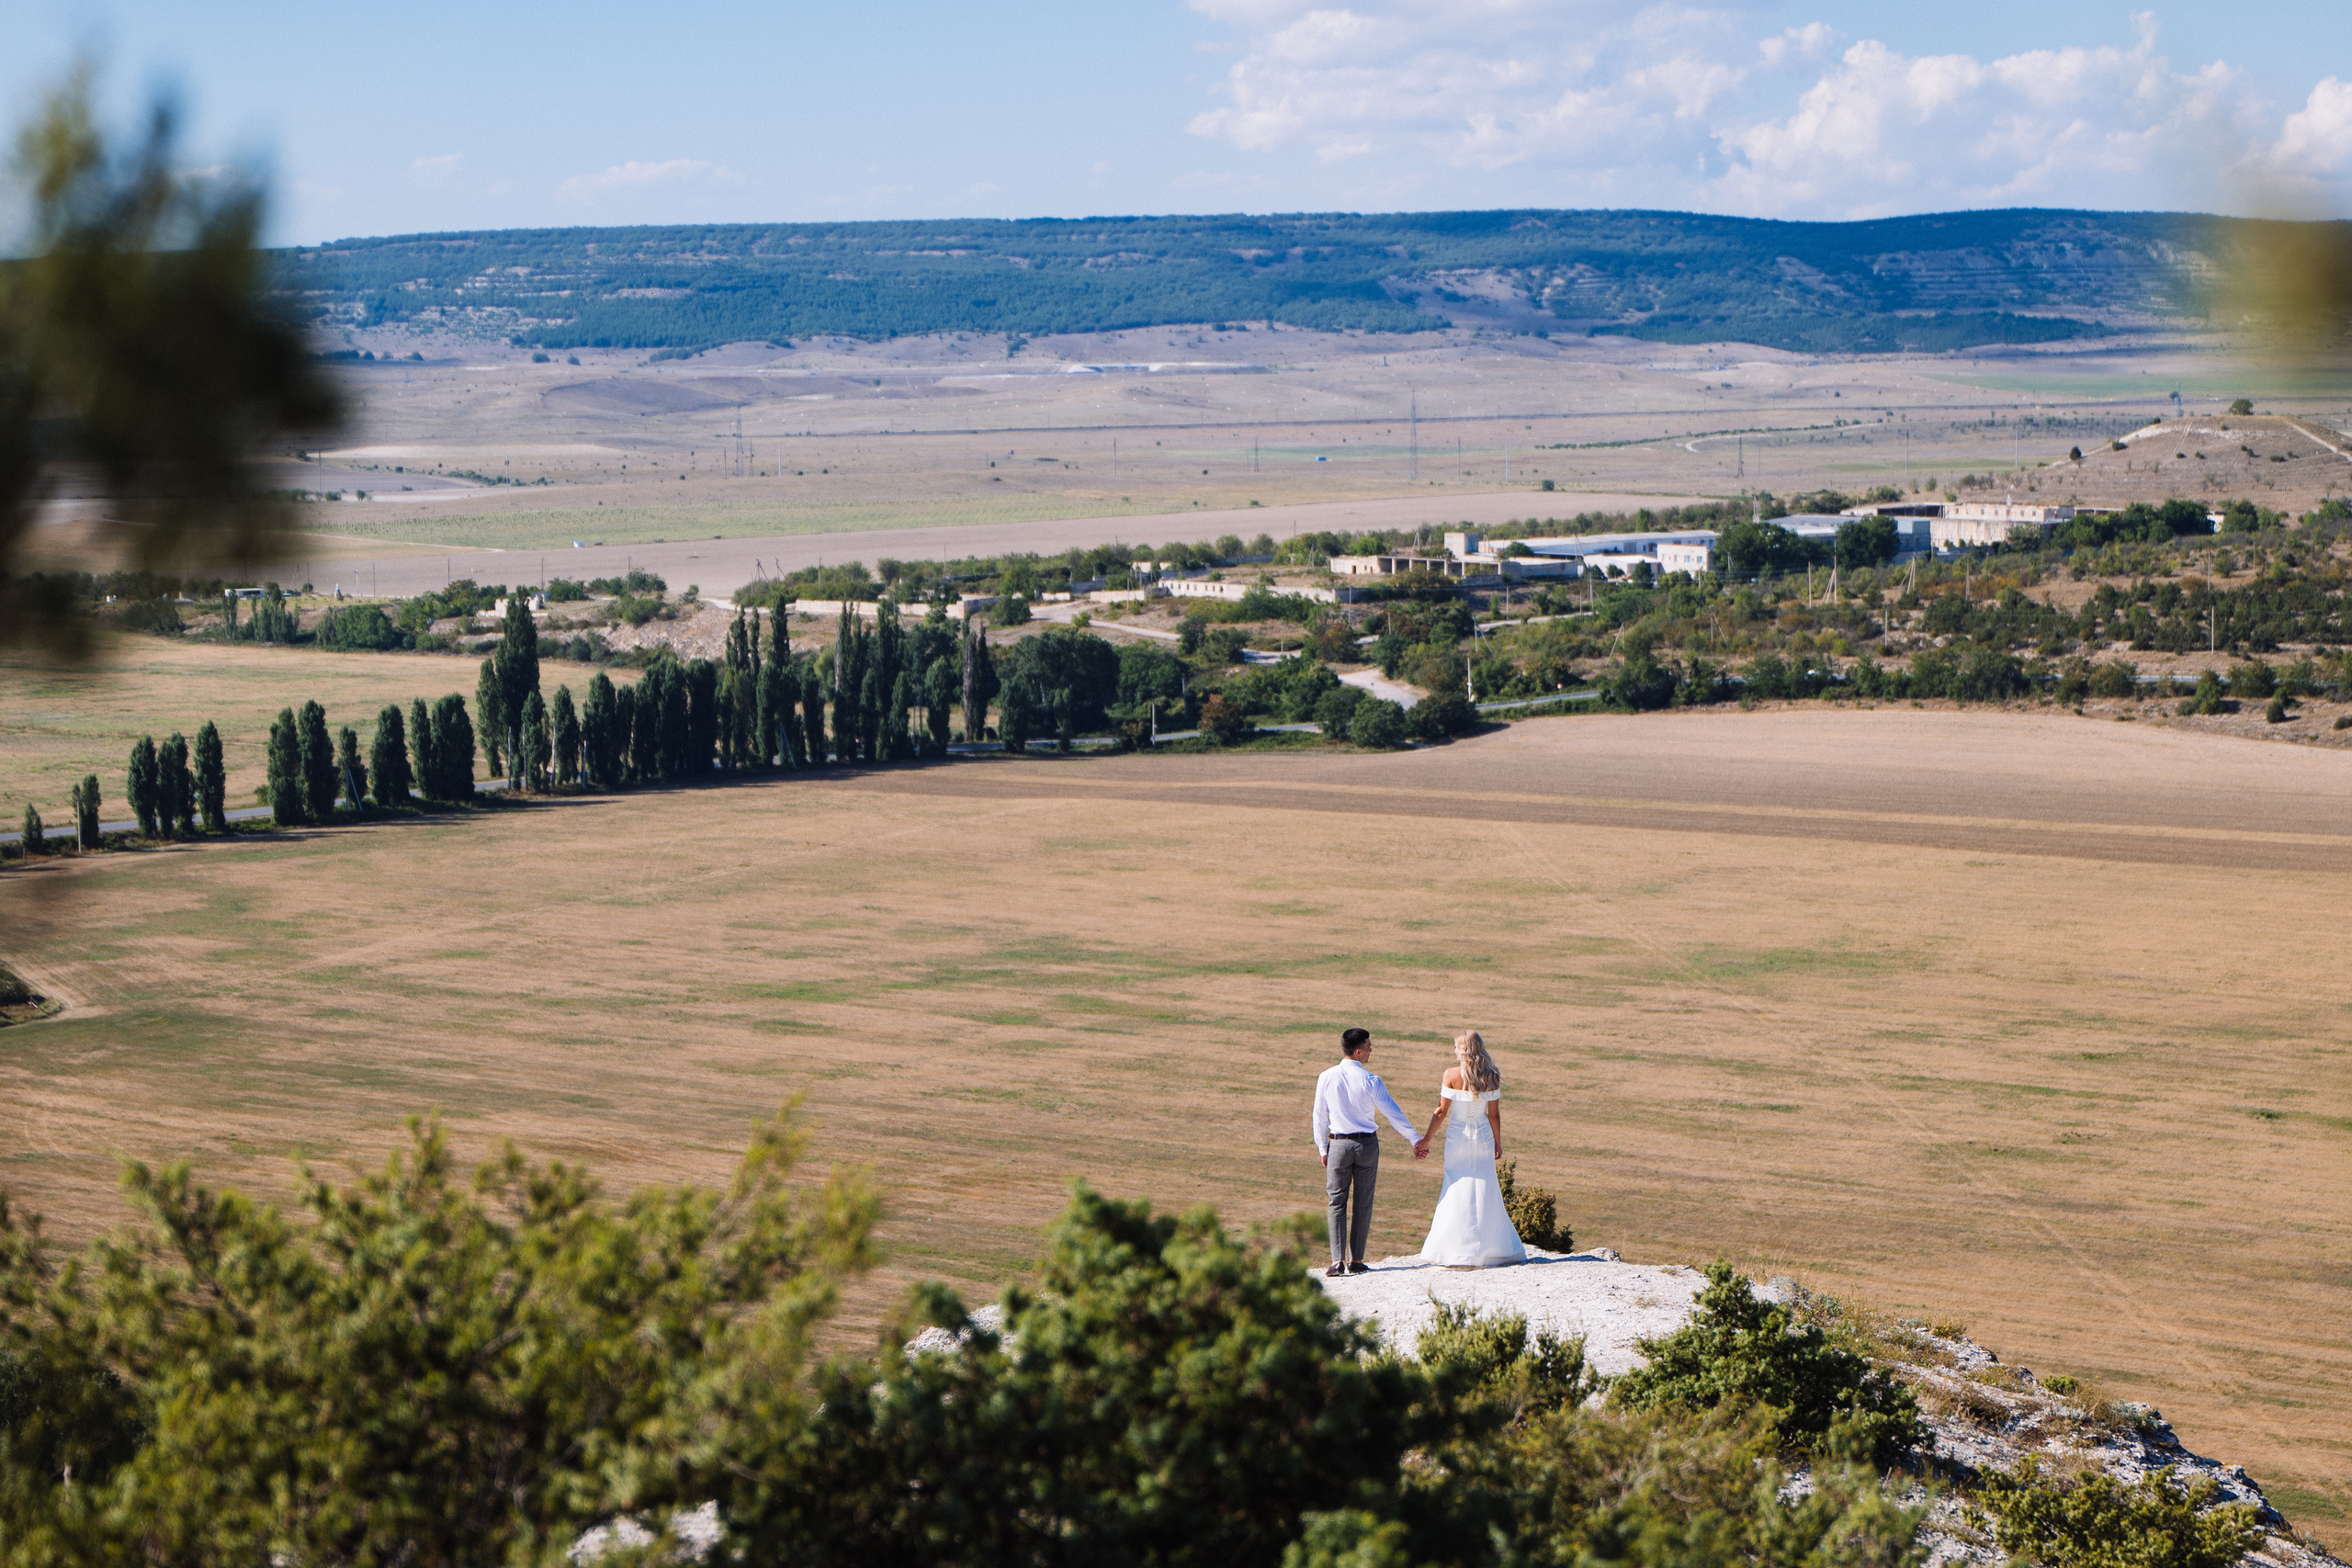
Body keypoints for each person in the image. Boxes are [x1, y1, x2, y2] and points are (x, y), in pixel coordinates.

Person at [1311, 1026, 1429, 1279]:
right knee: (1363, 1203)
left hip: (1338, 1145)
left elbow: (1320, 1117)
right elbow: (1393, 1112)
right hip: (1367, 1146)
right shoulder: (1371, 1080)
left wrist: (1323, 1148)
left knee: (1336, 1202)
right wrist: (1415, 1140)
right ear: (1357, 1051)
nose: (1371, 1050)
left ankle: (1336, 1261)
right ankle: (1356, 1259)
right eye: (1368, 1046)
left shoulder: (1326, 1077)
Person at [1417, 1030, 1527, 1268]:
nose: (1454, 1051)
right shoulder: (1492, 1076)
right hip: (1482, 1137)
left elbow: (1441, 1111)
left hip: (1458, 1136)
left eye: (1457, 1047)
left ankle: (1451, 1247)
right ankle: (1491, 1247)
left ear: (1463, 1051)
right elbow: (1494, 1115)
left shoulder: (1450, 1075)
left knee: (1455, 1183)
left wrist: (1425, 1140)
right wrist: (1498, 1142)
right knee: (1485, 1183)